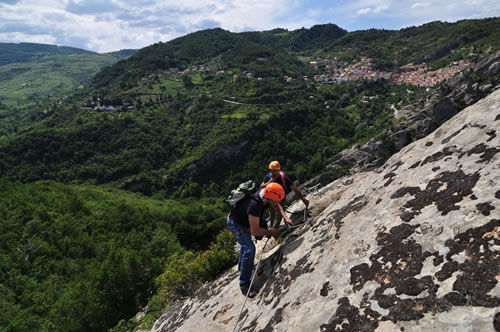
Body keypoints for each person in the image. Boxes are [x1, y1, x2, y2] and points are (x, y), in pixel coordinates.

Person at [226, 182, 290, 298]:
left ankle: (242, 266)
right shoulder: (255, 205)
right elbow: (255, 231)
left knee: (245, 245)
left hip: (241, 219)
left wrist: (285, 217)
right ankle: (244, 284)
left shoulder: (264, 194)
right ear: (269, 198)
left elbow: (276, 205)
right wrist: (271, 232)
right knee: (249, 249)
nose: (276, 203)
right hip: (236, 223)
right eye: (275, 200)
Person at [260, 161, 309, 228]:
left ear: (278, 170)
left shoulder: (284, 178)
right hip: (271, 198)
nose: (273, 173)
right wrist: (269, 182)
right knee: (273, 213)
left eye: (274, 171)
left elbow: (294, 189)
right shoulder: (268, 177)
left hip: (280, 198)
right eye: (271, 171)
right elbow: (262, 186)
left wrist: (303, 199)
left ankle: (276, 229)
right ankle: (273, 230)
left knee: (279, 213)